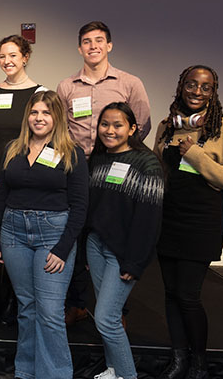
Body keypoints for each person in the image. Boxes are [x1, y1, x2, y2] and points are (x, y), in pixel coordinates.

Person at [0, 90, 89, 379]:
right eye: (34, 112)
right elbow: (0, 197)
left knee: (50, 312)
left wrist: (63, 248)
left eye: (46, 113)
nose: (39, 118)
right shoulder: (13, 149)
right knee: (27, 307)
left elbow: (80, 206)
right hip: (13, 233)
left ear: (56, 117)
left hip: (53, 235)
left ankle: (55, 374)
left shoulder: (72, 153)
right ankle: (27, 371)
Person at [56, 21, 151, 325]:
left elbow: (142, 124)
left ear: (109, 45)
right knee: (77, 235)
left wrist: (120, 152)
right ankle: (77, 303)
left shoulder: (129, 82)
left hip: (114, 170)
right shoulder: (67, 86)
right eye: (86, 41)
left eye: (99, 40)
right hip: (77, 169)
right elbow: (59, 127)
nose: (93, 46)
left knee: (110, 233)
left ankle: (115, 309)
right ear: (79, 47)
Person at [153, 65, 223, 379]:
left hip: (200, 222)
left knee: (188, 294)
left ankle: (199, 363)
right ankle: (178, 360)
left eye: (205, 87)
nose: (197, 92)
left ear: (213, 92)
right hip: (169, 219)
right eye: (192, 85)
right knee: (170, 293)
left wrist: (196, 155)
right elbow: (158, 173)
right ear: (181, 86)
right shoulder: (167, 125)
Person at [86, 102, 164, 379]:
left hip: (123, 254)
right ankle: (113, 370)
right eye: (104, 124)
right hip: (95, 246)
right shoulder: (97, 159)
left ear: (132, 128)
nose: (109, 130)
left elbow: (149, 219)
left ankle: (127, 375)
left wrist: (136, 260)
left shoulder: (147, 164)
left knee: (107, 319)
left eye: (118, 125)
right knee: (107, 316)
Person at [0, 34, 46, 325]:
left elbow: (43, 134)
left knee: (17, 235)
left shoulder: (40, 93)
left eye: (13, 55)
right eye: (3, 56)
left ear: (25, 57)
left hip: (22, 174)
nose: (7, 61)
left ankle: (15, 297)